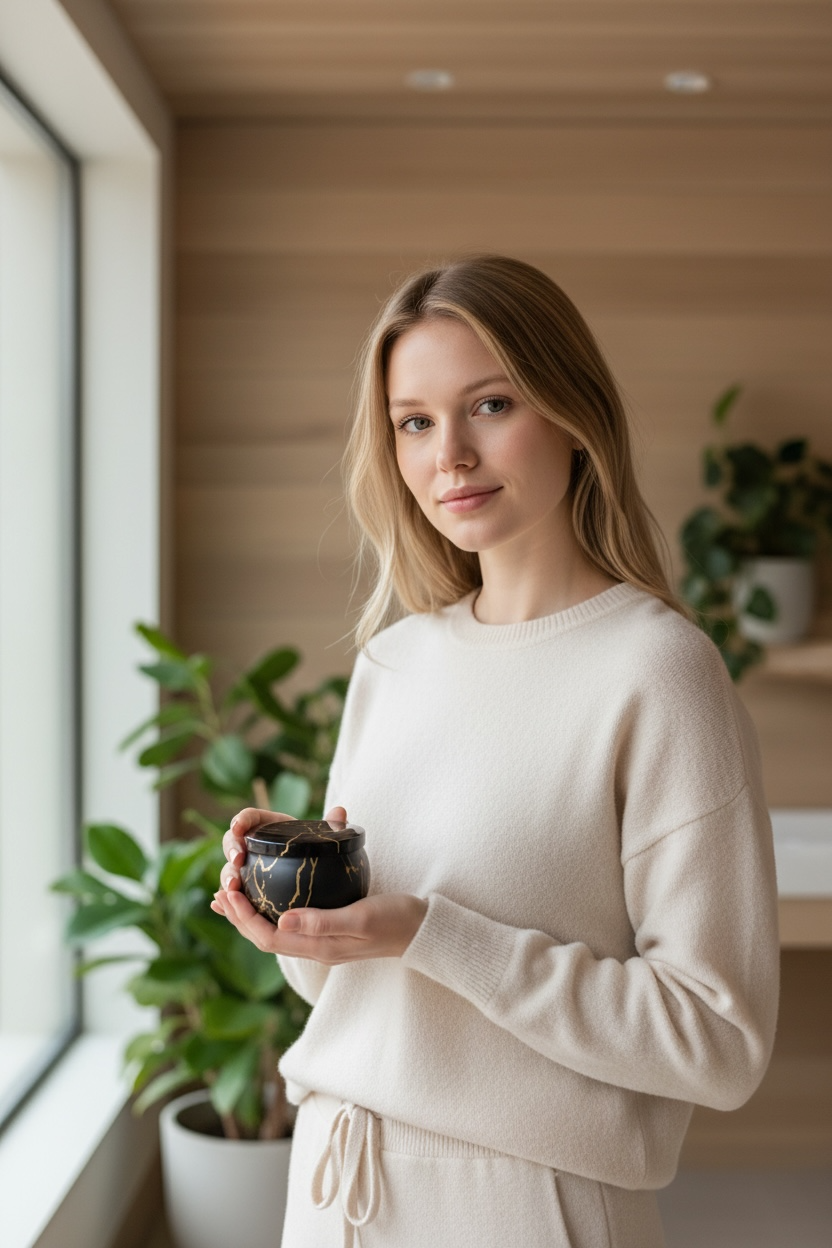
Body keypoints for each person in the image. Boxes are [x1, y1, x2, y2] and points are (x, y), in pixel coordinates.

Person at [211, 255, 780, 1248]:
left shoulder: (657, 671)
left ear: (572, 412)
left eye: (490, 405)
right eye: (415, 421)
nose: (451, 456)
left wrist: (431, 932)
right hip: (334, 1189)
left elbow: (718, 1043)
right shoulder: (395, 662)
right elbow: (340, 988)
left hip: (523, 1207)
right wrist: (305, 926)